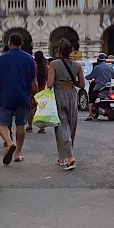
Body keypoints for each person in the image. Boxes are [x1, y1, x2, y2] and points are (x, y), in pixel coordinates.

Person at [0, 32, 37, 165]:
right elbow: (33, 81)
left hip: (6, 97)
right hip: (23, 97)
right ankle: (18, 153)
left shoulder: (1, 60)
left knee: (2, 124)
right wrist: (34, 96)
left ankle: (9, 142)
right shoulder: (29, 59)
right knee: (20, 125)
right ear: (21, 44)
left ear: (9, 43)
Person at [47, 39, 84, 170]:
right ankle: (62, 157)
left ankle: (70, 156)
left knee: (61, 126)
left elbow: (50, 84)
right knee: (71, 125)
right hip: (72, 95)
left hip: (59, 94)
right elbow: (82, 84)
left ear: (59, 50)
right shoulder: (77, 65)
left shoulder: (54, 64)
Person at [28, 48, 49, 132]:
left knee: (31, 108)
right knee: (42, 108)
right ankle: (42, 127)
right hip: (43, 89)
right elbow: (47, 78)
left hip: (33, 88)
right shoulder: (45, 67)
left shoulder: (33, 66)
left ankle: (30, 126)